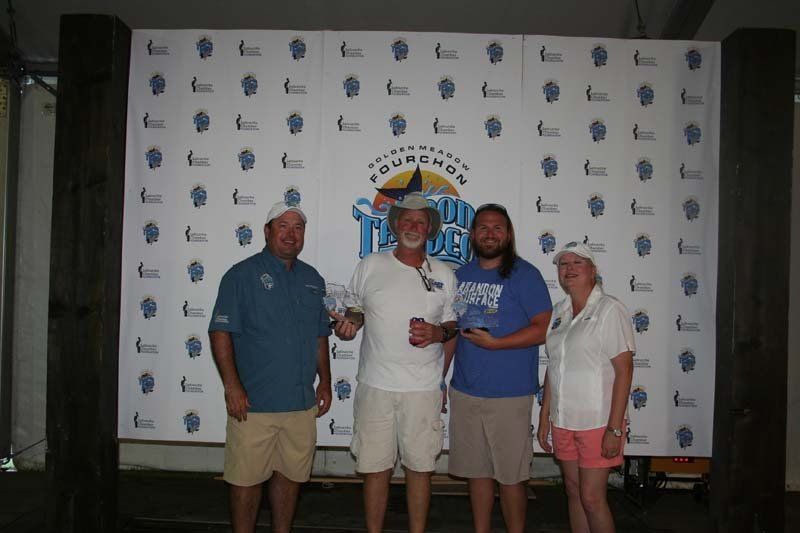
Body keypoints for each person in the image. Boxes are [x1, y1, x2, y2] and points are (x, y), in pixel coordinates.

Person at [330, 191, 457, 533]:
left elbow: (452, 326)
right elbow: (355, 309)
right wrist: (349, 324)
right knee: (375, 468)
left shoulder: (444, 273)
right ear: (395, 224)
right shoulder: (371, 264)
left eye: (421, 221)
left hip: (423, 389)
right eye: (407, 219)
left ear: (430, 228)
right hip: (376, 386)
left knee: (420, 469)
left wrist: (437, 333)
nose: (413, 226)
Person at [209, 198, 332, 533]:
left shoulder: (313, 279)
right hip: (254, 404)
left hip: (300, 404)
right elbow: (221, 331)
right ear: (267, 231)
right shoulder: (240, 275)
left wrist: (325, 382)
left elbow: (321, 334)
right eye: (283, 226)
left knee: (290, 477)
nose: (291, 234)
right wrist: (232, 386)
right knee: (245, 481)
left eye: (298, 227)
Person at [445, 204, 552, 533]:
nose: (490, 234)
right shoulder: (459, 277)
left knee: (511, 477)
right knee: (477, 474)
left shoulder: (526, 274)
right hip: (465, 390)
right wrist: (439, 380)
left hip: (510, 394)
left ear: (508, 234)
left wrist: (497, 344)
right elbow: (452, 334)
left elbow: (542, 328)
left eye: (497, 228)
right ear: (473, 235)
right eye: (483, 228)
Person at [537, 241, 634, 533]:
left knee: (592, 498)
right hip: (563, 420)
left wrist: (614, 428)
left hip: (598, 422)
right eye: (563, 264)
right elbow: (555, 367)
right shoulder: (559, 312)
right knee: (573, 491)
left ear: (593, 270)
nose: (569, 269)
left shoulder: (609, 309)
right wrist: (545, 417)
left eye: (577, 263)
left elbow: (624, 370)